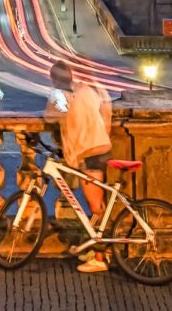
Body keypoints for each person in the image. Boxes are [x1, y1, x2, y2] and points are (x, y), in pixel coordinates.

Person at [49, 60, 113, 274]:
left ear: (54, 79)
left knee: (96, 207)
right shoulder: (86, 90)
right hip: (102, 147)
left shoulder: (61, 96)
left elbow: (49, 116)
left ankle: (100, 258)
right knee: (100, 206)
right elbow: (105, 105)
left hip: (88, 154)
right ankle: (99, 247)